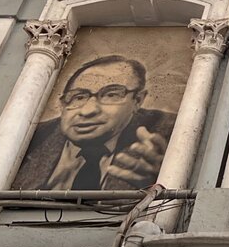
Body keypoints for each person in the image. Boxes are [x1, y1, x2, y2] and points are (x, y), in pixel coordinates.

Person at [12, 55, 177, 191]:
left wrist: (164, 178)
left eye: (111, 95)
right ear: (62, 104)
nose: (88, 111)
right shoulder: (28, 139)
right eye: (78, 97)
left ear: (138, 100)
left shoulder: (171, 132)